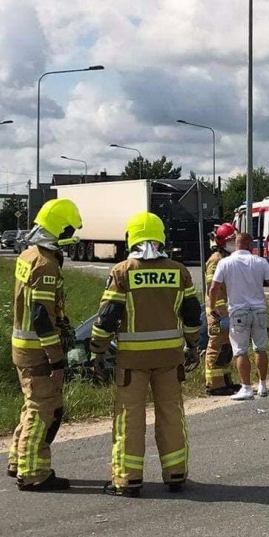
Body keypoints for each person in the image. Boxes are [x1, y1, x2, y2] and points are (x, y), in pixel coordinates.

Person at [89, 212, 201, 497]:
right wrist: (192, 346)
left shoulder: (122, 271)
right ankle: (176, 474)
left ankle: (128, 480)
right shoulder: (180, 271)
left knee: (130, 418)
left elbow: (107, 318)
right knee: (171, 415)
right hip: (169, 359)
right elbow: (191, 315)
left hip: (132, 362)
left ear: (132, 237)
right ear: (161, 236)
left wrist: (97, 352)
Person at [7, 198, 83, 491]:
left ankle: (18, 460)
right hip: (38, 350)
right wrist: (56, 358)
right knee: (44, 409)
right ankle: (34, 473)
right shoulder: (46, 265)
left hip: (23, 345)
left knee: (31, 406)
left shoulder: (27, 255)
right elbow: (41, 316)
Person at [208, 232, 269, 400]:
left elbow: (214, 288)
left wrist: (212, 306)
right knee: (260, 348)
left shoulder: (225, 263)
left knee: (241, 351)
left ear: (236, 245)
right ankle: (263, 385)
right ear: (251, 246)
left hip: (238, 312)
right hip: (259, 310)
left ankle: (246, 388)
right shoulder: (260, 262)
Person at [203, 223, 239, 396]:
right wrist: (219, 310)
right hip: (217, 311)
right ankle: (214, 384)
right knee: (216, 346)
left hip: (226, 310)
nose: (234, 243)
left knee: (226, 347)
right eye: (231, 240)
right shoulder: (216, 260)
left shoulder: (226, 258)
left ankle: (225, 381)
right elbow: (212, 287)